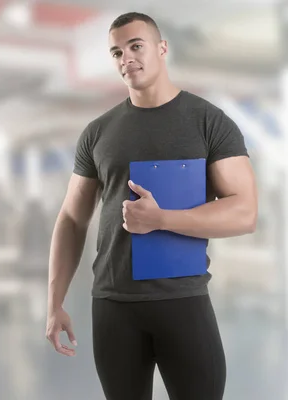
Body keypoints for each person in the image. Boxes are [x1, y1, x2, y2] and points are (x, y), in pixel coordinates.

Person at [45, 12, 258, 400]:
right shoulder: (98, 132)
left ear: (162, 49)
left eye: (135, 46)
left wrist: (161, 219)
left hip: (183, 302)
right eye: (116, 52)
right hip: (113, 306)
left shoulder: (209, 122)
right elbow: (72, 218)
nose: (126, 58)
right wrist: (54, 302)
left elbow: (245, 212)